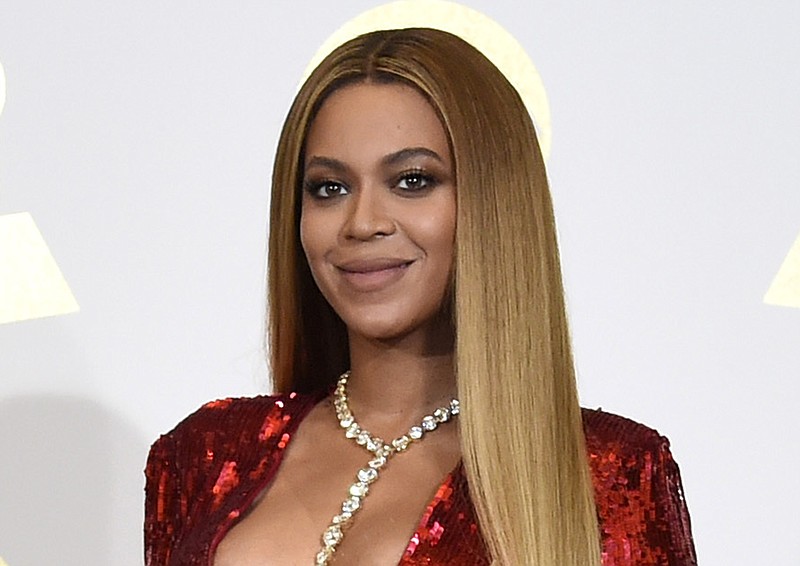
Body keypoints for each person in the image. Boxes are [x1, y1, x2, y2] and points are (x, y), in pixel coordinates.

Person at [145, 28, 697, 565]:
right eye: (329, 188)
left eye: (412, 180)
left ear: (492, 204)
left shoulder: (611, 473)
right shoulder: (203, 455)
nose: (361, 223)